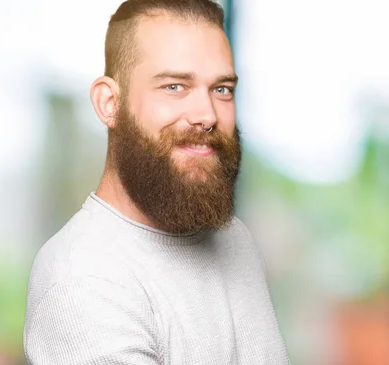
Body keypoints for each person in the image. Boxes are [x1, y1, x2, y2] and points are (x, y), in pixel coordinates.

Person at [23, 0, 291, 363]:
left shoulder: (234, 240)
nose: (207, 115)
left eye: (222, 89)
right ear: (108, 103)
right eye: (175, 87)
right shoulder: (81, 277)